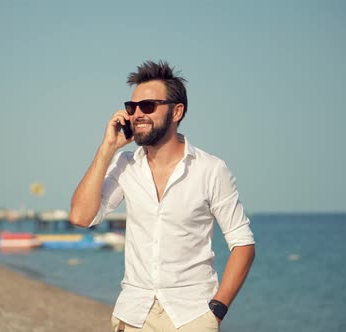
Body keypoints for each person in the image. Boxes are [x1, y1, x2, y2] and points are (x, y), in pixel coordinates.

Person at [69, 60, 255, 332]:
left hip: (190, 316)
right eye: (132, 108)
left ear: (177, 111)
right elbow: (81, 217)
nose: (137, 115)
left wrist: (216, 310)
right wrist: (107, 149)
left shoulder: (211, 170)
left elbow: (243, 244)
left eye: (148, 106)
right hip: (133, 316)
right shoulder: (125, 166)